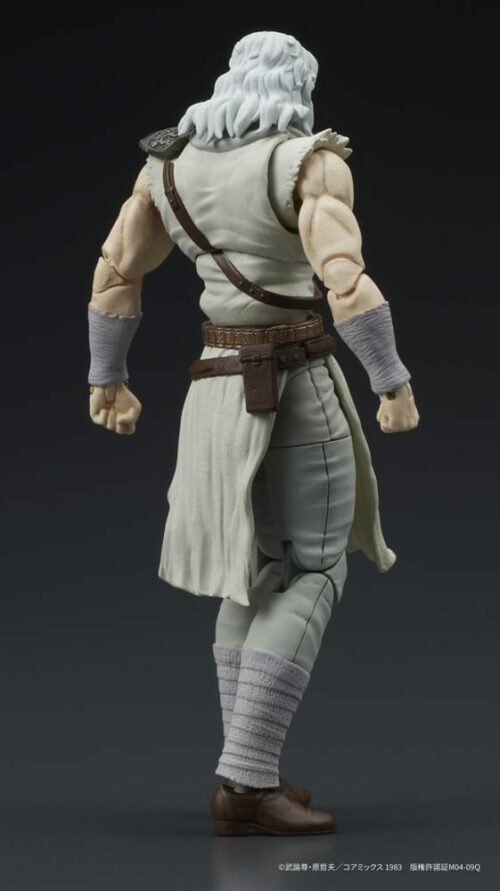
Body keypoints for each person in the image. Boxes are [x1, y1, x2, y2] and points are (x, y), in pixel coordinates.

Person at [87, 30, 419, 836]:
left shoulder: (168, 168)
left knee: (258, 572)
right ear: (298, 86)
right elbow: (345, 279)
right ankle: (247, 778)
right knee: (313, 570)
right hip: (293, 384)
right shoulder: (310, 163)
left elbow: (117, 272)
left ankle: (246, 778)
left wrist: (107, 377)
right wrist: (392, 381)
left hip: (214, 389)